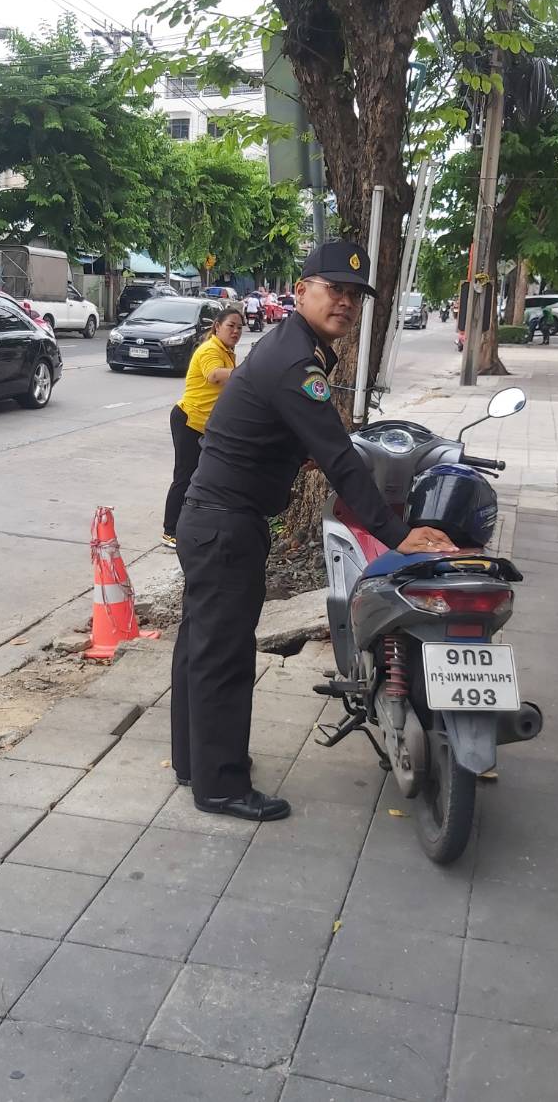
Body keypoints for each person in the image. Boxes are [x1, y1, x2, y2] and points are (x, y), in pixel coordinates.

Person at [170, 240, 458, 821]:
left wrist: (290, 451)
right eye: (334, 290)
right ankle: (220, 786)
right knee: (224, 655)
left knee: (201, 644)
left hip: (212, 519)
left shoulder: (292, 346)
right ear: (300, 291)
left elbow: (282, 430)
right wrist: (397, 533)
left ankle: (195, 762)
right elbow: (340, 459)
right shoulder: (298, 363)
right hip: (226, 526)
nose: (345, 303)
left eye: (354, 295)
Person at [162, 305, 243, 548]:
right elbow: (214, 375)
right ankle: (170, 531)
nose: (236, 331)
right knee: (184, 476)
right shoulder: (210, 349)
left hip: (207, 426)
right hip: (189, 420)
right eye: (231, 326)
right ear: (217, 326)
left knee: (203, 477)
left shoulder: (227, 351)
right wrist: (248, 372)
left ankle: (194, 524)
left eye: (240, 328)